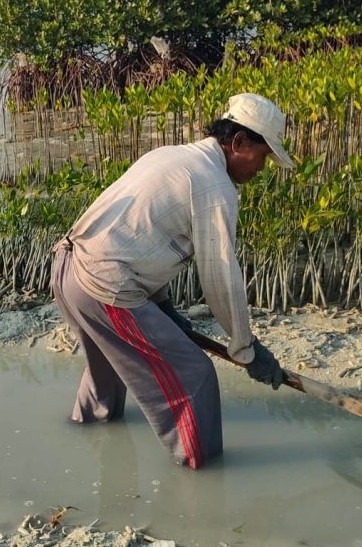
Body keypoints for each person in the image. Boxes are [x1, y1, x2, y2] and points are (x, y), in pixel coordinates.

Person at [51, 93, 293, 469]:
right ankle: (205, 476)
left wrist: (163, 308)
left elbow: (139, 236)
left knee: (110, 370)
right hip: (104, 287)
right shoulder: (216, 186)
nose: (261, 168)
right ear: (239, 142)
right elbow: (221, 277)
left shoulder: (172, 155)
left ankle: (84, 438)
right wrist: (246, 349)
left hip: (67, 268)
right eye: (263, 156)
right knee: (194, 377)